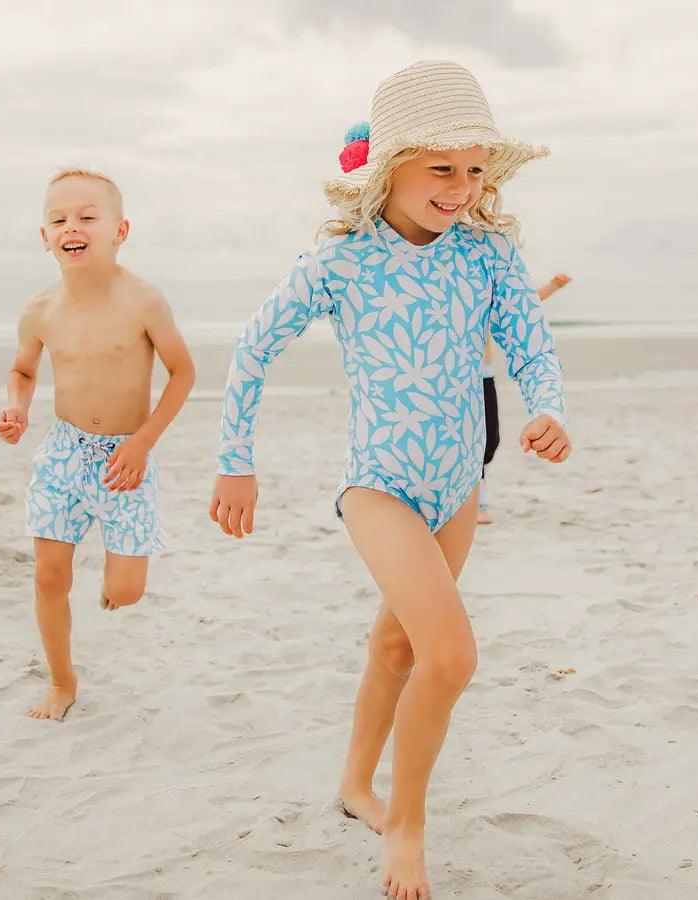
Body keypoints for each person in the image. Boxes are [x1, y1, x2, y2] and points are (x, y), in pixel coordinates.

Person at [208, 61, 571, 899]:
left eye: (475, 169)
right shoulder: (341, 262)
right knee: (449, 655)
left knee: (398, 644)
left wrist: (548, 409)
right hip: (380, 486)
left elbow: (530, 344)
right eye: (441, 167)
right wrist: (236, 459)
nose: (461, 187)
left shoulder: (488, 255)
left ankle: (353, 787)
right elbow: (253, 349)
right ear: (391, 166)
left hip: (459, 484)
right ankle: (405, 824)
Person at [0, 169, 195, 722]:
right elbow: (22, 369)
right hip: (64, 451)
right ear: (45, 237)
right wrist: (17, 408)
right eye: (58, 219)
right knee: (49, 575)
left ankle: (115, 588)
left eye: (86, 217)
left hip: (127, 457)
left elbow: (182, 374)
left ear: (119, 230)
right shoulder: (40, 310)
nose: (71, 227)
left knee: (126, 592)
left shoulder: (143, 301)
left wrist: (143, 444)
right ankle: (62, 683)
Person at [478, 272, 572, 524]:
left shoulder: (484, 297)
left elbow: (522, 306)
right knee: (471, 443)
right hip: (460, 379)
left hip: (484, 377)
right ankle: (479, 503)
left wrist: (553, 287)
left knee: (489, 441)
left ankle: (478, 500)